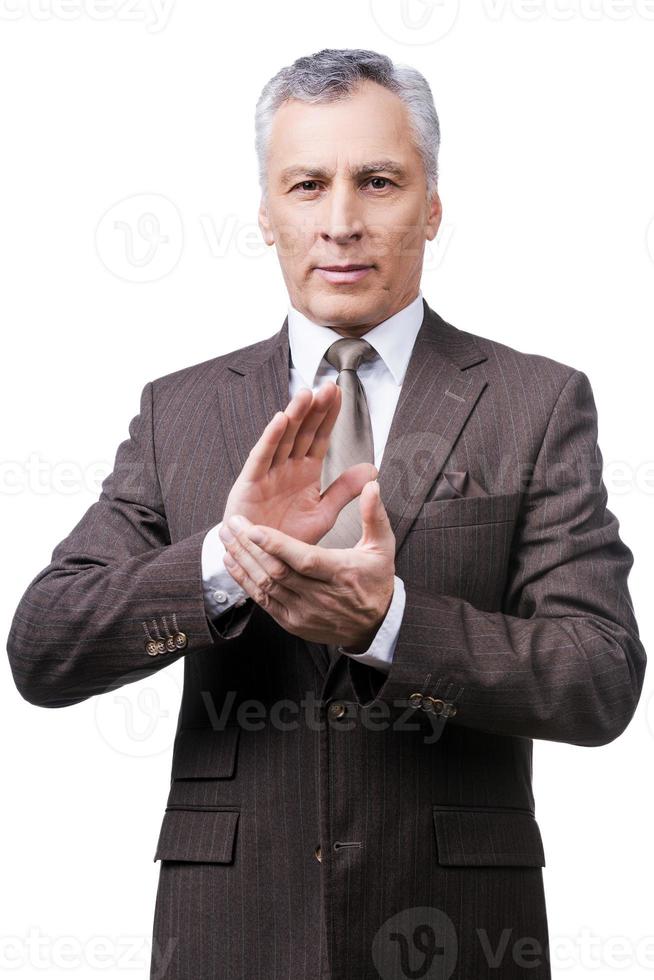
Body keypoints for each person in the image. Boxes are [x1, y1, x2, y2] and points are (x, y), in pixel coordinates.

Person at [6, 48, 646, 980]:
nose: (341, 221)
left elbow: (599, 676)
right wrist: (227, 561)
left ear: (431, 204)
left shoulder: (533, 403)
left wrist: (389, 626)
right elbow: (43, 648)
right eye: (307, 185)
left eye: (377, 181)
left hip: (459, 932)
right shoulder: (181, 411)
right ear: (266, 214)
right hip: (231, 933)